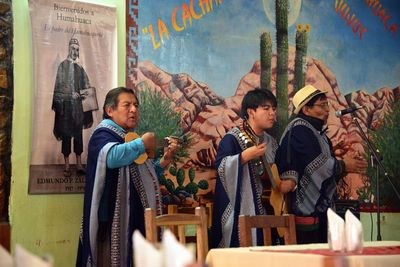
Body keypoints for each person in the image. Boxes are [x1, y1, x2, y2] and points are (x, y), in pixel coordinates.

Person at [76, 87, 178, 267]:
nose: (134, 110)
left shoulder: (129, 137)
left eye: (136, 105)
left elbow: (143, 172)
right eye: (127, 105)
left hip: (133, 217)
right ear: (110, 110)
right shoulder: (102, 134)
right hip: (110, 222)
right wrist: (142, 143)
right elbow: (112, 158)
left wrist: (165, 159)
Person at [275, 84, 368, 244]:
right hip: (305, 215)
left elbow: (328, 171)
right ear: (306, 109)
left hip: (320, 214)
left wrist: (345, 167)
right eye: (322, 105)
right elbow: (320, 167)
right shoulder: (299, 130)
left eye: (327, 104)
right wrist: (344, 165)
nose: (327, 110)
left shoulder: (317, 133)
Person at [210, 88, 278, 248]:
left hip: (266, 210)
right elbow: (221, 168)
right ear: (251, 112)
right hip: (239, 211)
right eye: (266, 108)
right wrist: (244, 157)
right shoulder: (232, 139)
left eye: (274, 109)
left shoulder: (272, 142)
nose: (272, 113)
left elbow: (276, 175)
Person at [52, 38, 93, 177]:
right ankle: (67, 165)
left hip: (78, 109)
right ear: (69, 49)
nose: (75, 51)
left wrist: (82, 94)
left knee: (78, 135)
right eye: (73, 49)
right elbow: (59, 88)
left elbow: (86, 87)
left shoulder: (80, 69)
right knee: (66, 135)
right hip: (66, 109)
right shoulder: (62, 66)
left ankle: (79, 164)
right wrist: (70, 95)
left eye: (77, 49)